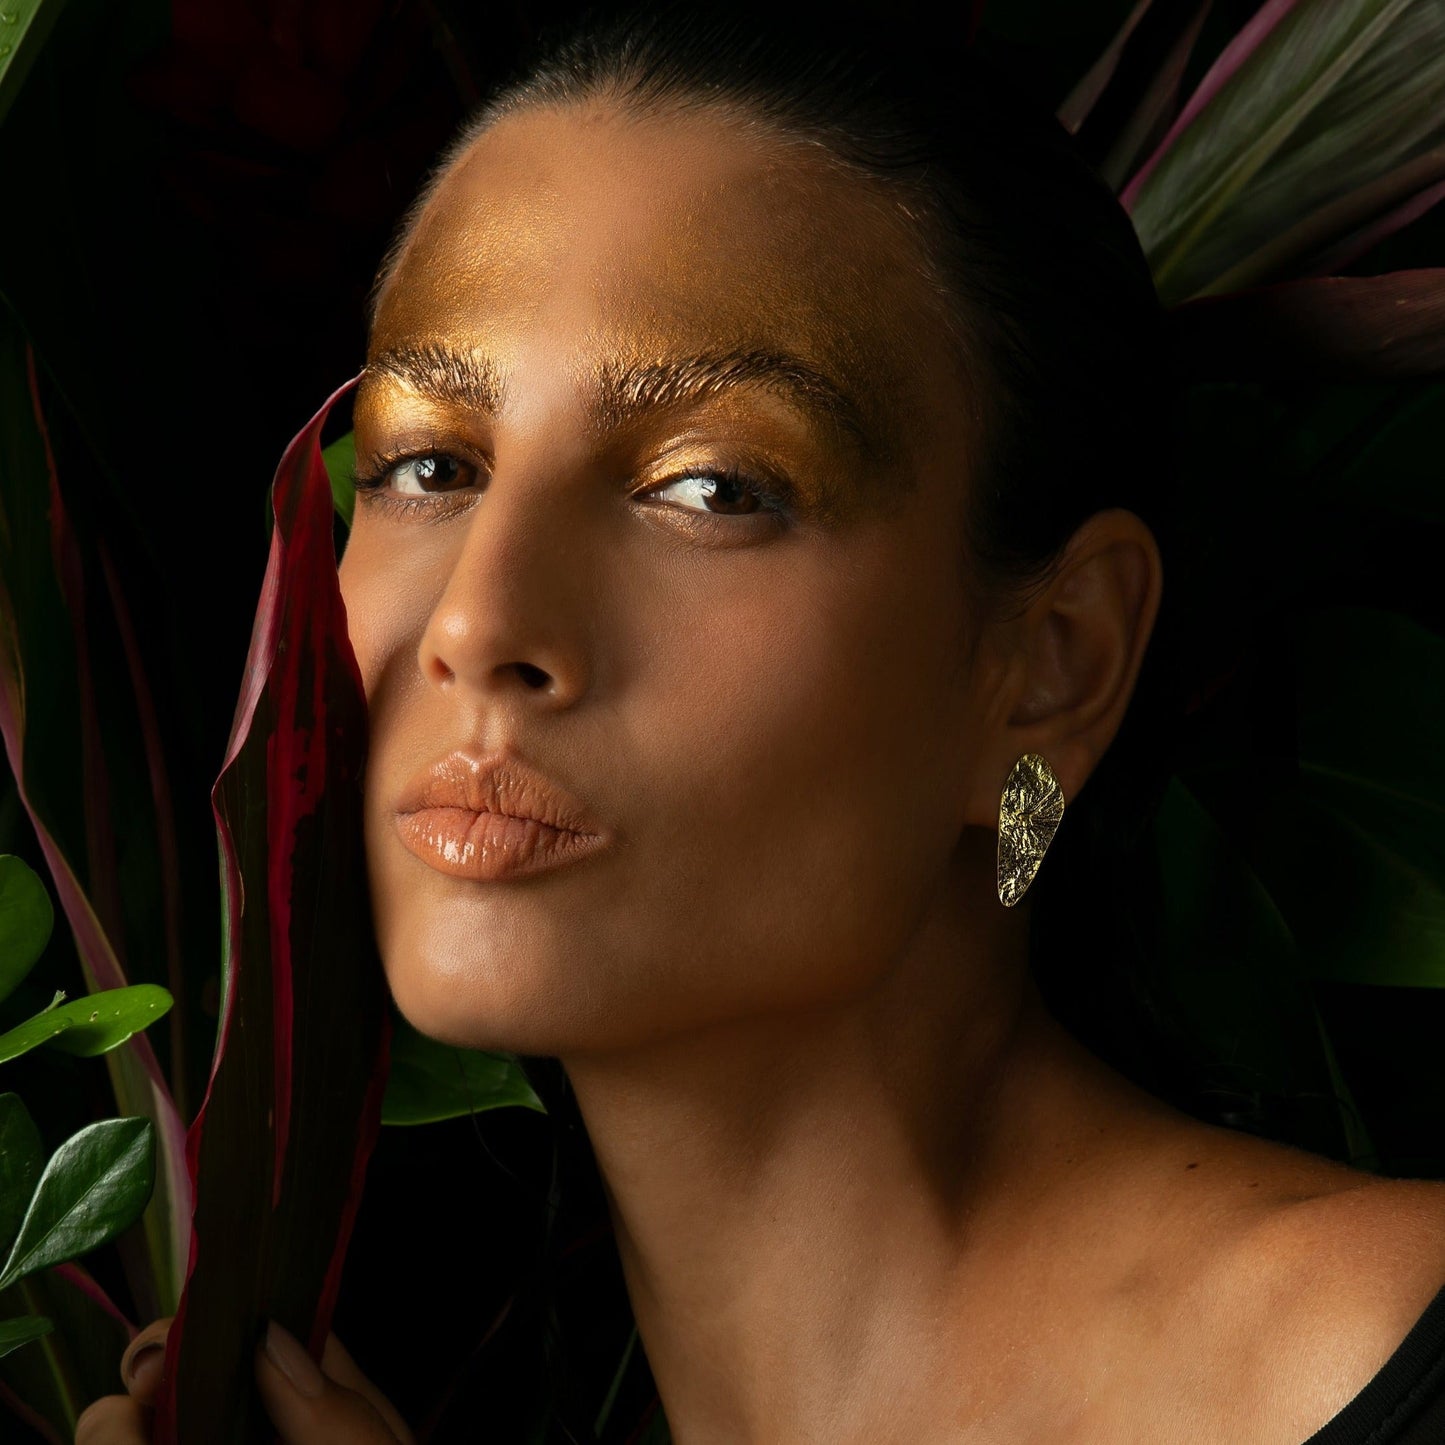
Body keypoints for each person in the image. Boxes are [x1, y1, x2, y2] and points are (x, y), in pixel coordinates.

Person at [74, 4, 1445, 1442]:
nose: (478, 624)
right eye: (429, 465)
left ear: (1051, 666)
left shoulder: (1370, 1353)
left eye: (713, 489)